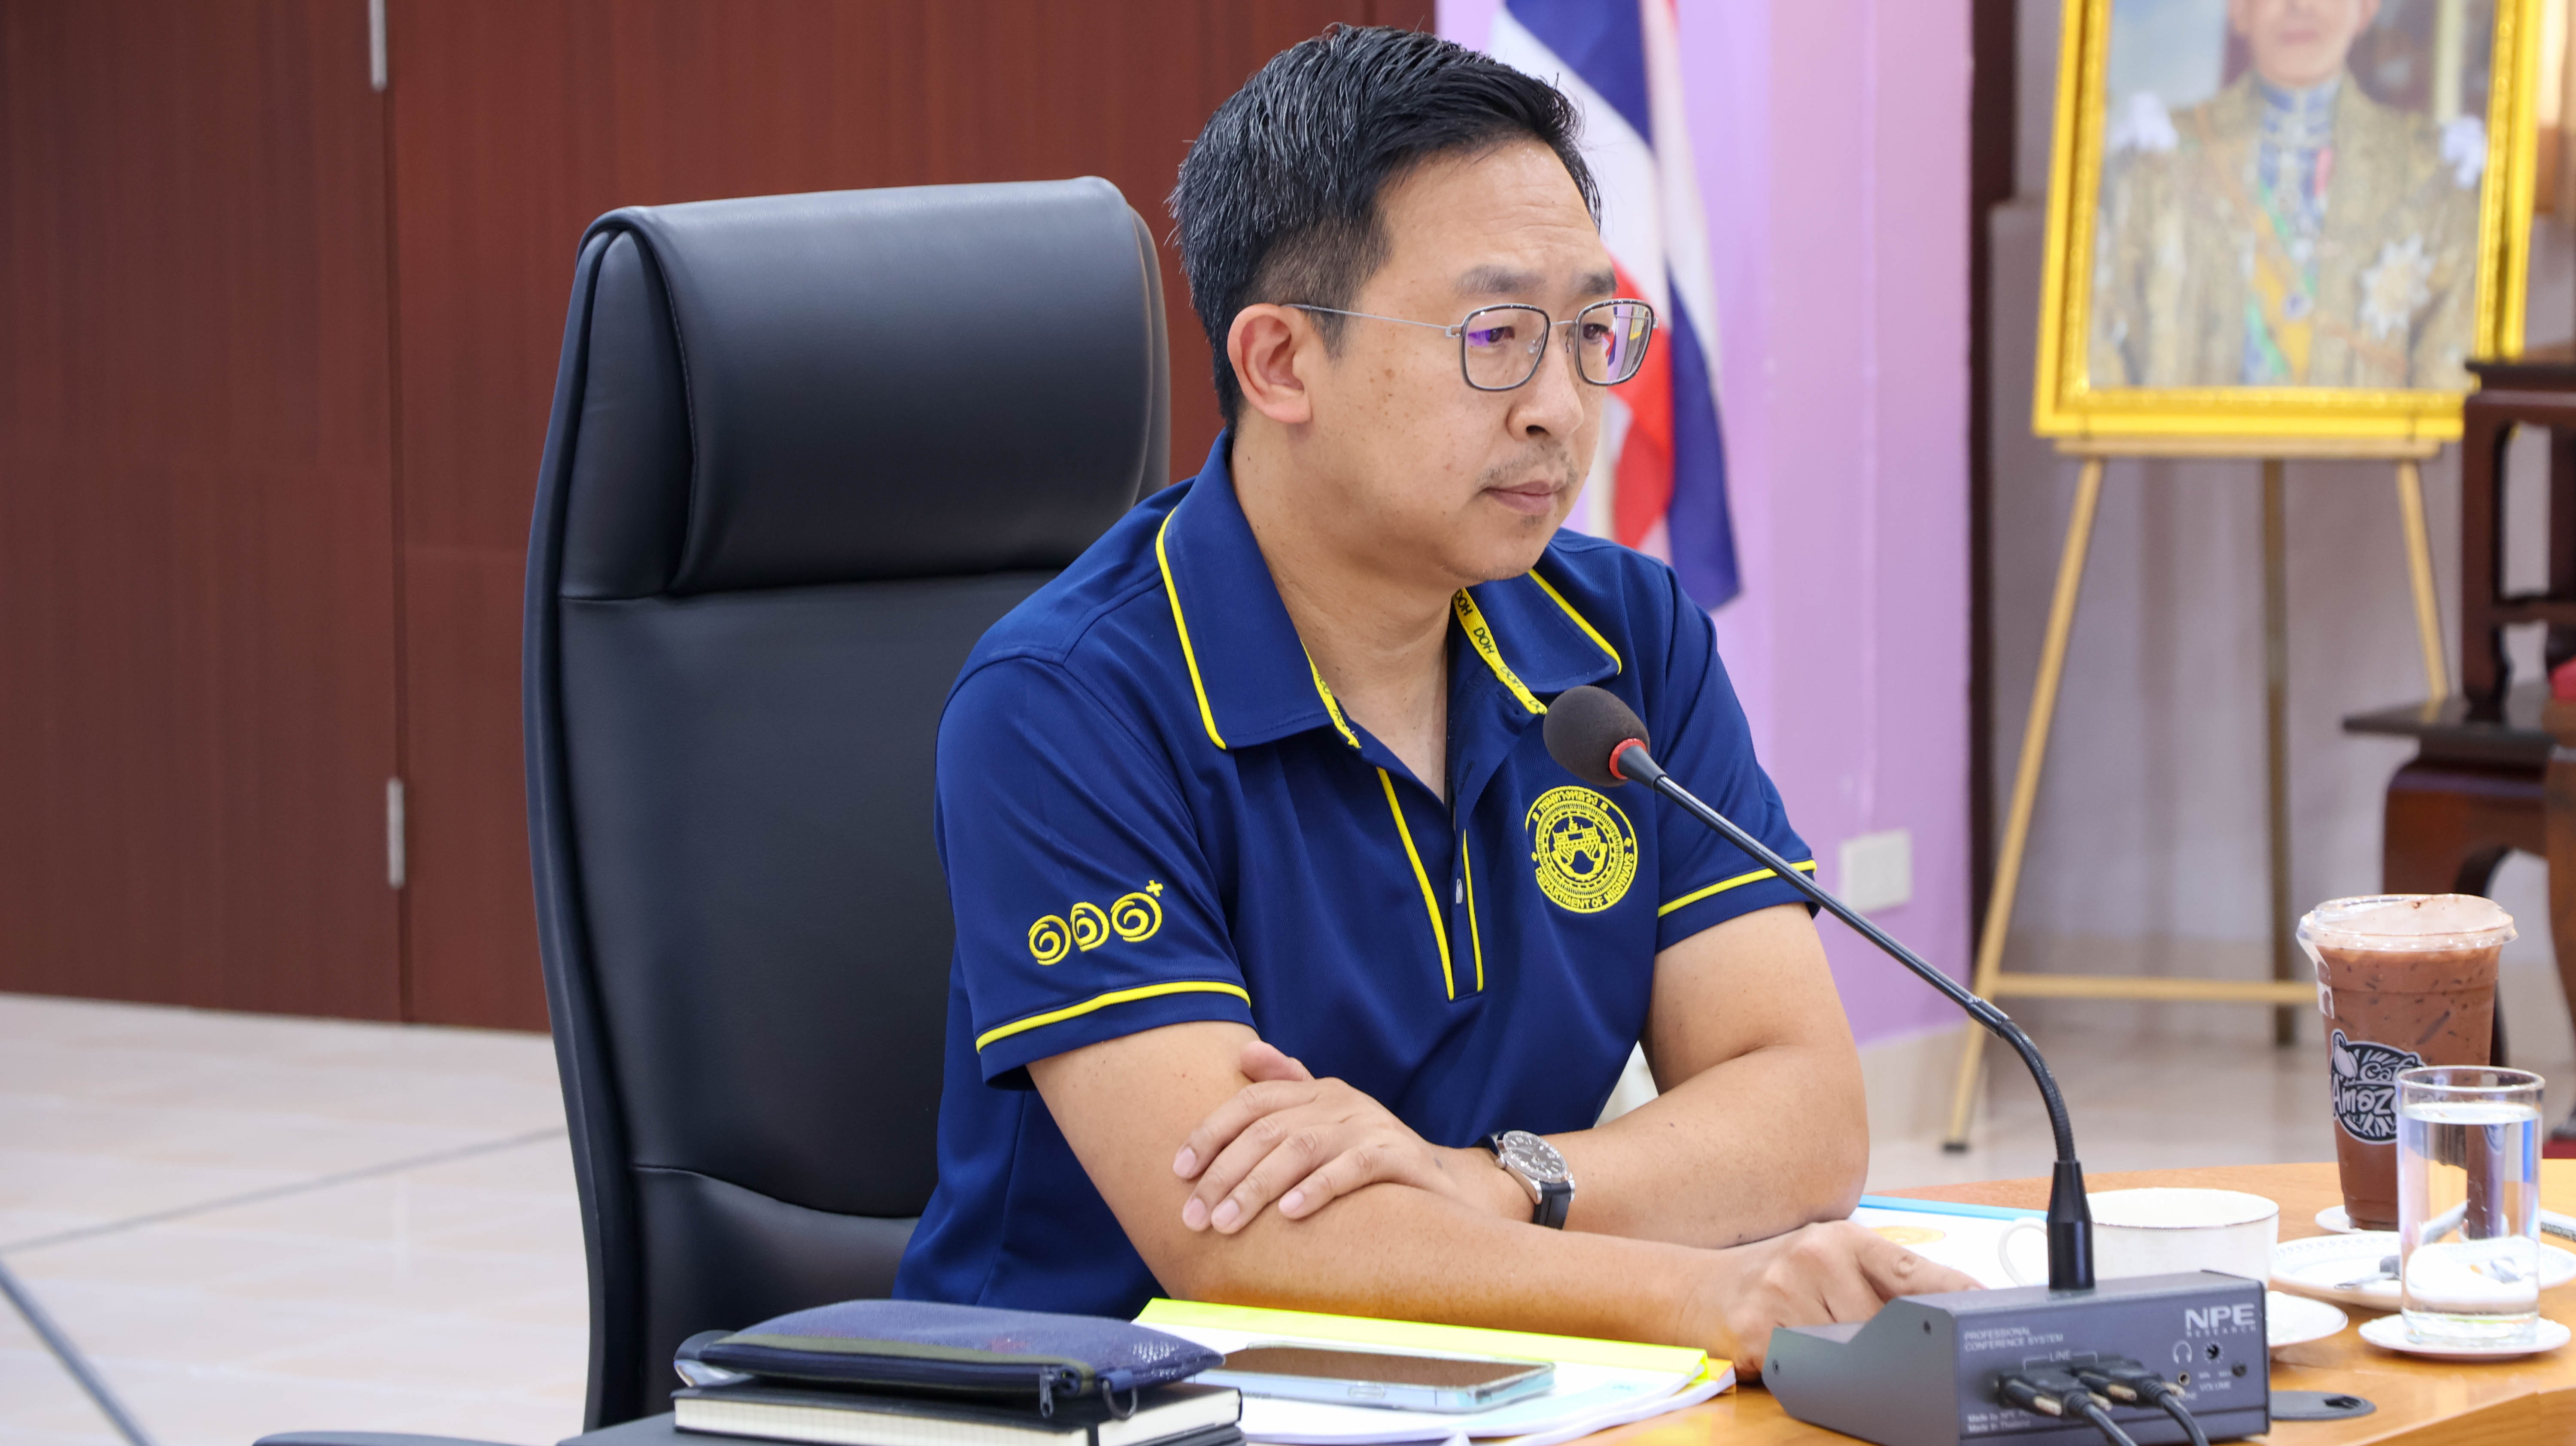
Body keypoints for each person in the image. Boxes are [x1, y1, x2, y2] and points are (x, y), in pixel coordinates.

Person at [891, 26, 1976, 1373]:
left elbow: (1804, 1116)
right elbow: (1243, 1239)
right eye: (1496, 336)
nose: (1562, 408)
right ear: (1281, 363)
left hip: (1509, 1382)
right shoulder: (1066, 703)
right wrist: (1706, 1298)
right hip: (1105, 1397)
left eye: (1590, 332)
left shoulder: (1622, 639)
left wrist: (1497, 1181)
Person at [2091, 0, 2482, 390]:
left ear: (2365, 8)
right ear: (2239, 8)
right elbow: (2100, 346)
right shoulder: (2161, 163)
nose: (2300, 6)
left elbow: (2450, 376)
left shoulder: (2429, 175)